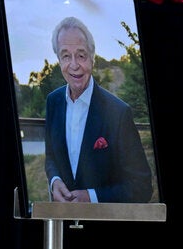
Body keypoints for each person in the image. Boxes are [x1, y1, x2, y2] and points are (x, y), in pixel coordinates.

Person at [44, 16, 153, 203]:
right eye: (66, 56)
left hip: (103, 221)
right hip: (61, 219)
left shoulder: (119, 113)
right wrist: (54, 180)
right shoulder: (52, 102)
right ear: (59, 60)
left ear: (92, 58)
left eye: (81, 55)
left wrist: (91, 197)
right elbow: (51, 157)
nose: (74, 65)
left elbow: (142, 186)